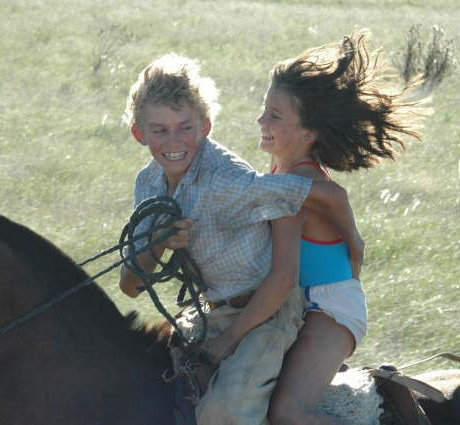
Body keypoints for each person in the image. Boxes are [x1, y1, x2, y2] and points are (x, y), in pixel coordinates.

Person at [118, 53, 364, 425]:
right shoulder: (148, 184)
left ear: (205, 127)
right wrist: (159, 241)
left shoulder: (230, 179)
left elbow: (329, 198)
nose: (173, 141)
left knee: (227, 413)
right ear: (139, 133)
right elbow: (130, 284)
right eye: (160, 129)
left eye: (185, 127)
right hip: (214, 309)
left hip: (269, 312)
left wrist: (354, 245)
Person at [261, 30, 431, 425]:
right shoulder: (281, 170)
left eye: (274, 115)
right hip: (303, 302)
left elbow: (336, 200)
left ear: (308, 134)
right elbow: (355, 246)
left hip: (329, 308)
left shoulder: (302, 183)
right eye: (264, 109)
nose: (260, 120)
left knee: (286, 411)